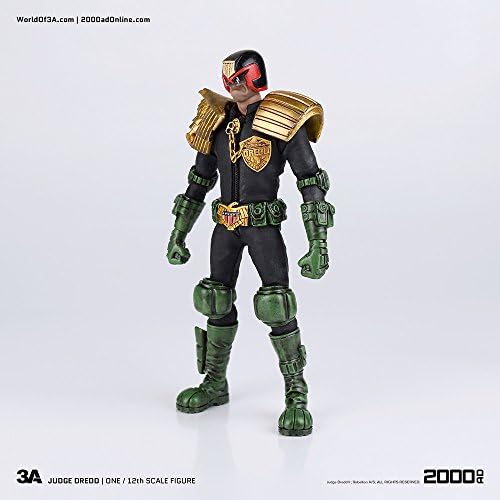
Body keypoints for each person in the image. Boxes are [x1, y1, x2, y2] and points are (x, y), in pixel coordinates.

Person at [166, 49, 334, 436]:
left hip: (263, 226)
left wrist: (318, 243)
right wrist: (179, 233)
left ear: (256, 77)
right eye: (228, 79)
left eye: (239, 78)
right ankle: (215, 382)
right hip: (225, 224)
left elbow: (310, 180)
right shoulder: (217, 121)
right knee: (214, 299)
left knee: (277, 305)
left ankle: (296, 393)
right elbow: (199, 180)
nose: (233, 85)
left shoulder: (283, 119)